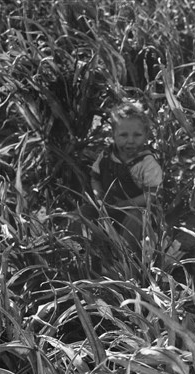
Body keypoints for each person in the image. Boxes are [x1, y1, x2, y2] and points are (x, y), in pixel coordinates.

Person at [76, 101, 163, 260]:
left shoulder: (147, 162)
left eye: (137, 135)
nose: (130, 140)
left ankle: (128, 258)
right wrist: (99, 196)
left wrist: (125, 204)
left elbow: (152, 194)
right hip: (109, 206)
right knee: (83, 213)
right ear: (113, 135)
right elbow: (95, 177)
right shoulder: (107, 156)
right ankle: (81, 253)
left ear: (146, 135)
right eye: (123, 135)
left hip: (138, 208)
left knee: (136, 219)